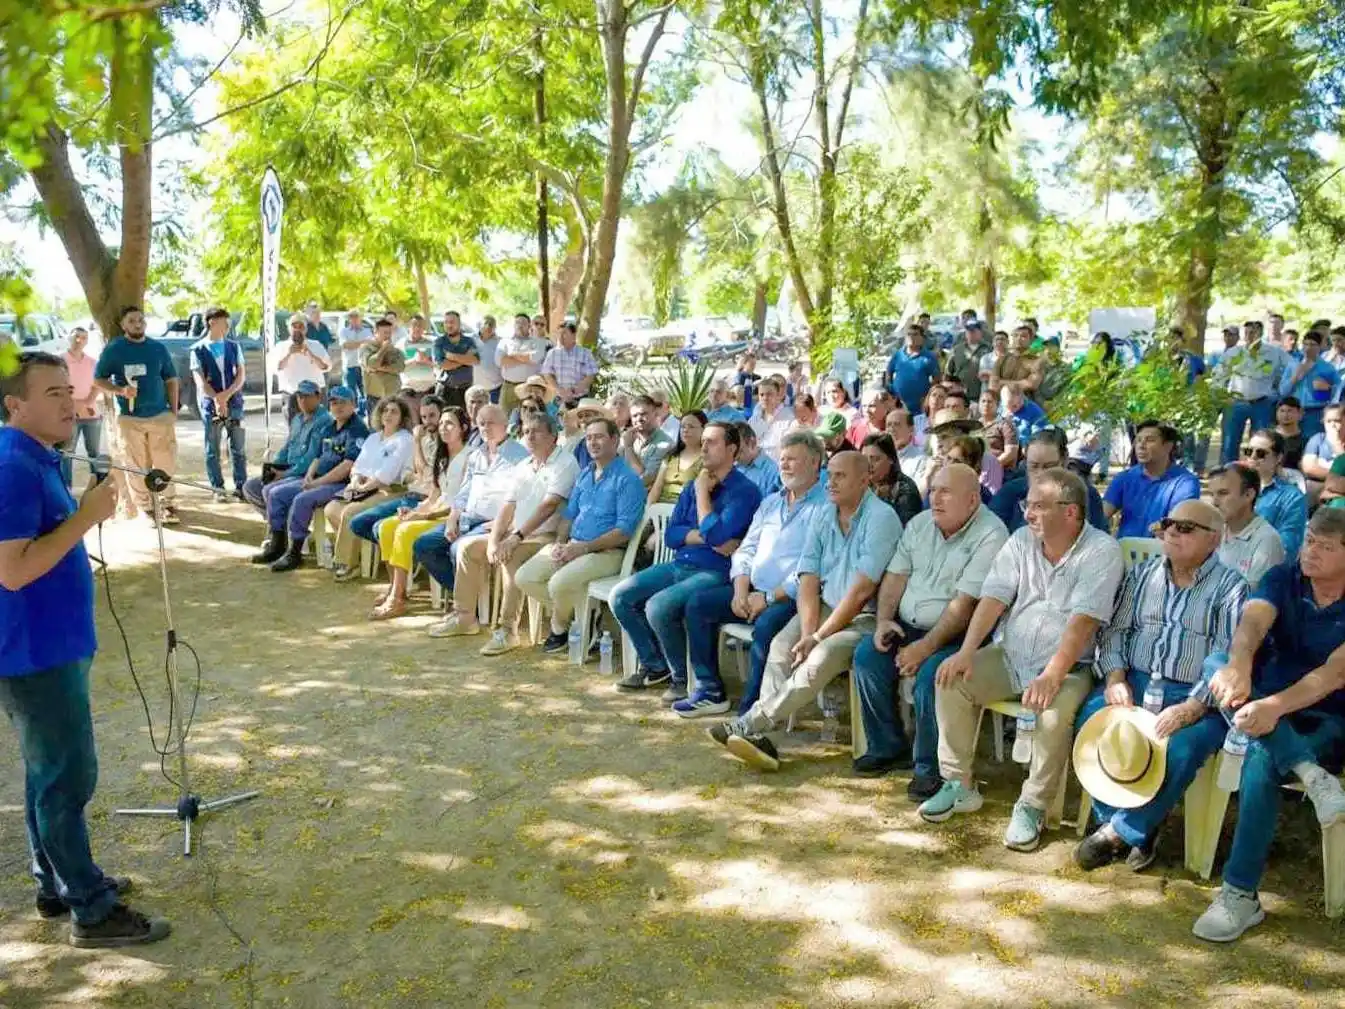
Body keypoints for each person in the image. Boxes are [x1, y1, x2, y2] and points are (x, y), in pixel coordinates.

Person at [1098, 509, 1345, 942]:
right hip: (1256, 701)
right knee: (1217, 666)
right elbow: (1251, 623)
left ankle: (1239, 892)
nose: (1311, 552)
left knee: (1260, 762)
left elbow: (1334, 674)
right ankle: (1311, 775)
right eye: (1309, 540)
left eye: (1326, 546)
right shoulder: (1285, 578)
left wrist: (1273, 707)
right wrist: (1239, 666)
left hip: (1327, 713)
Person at [0, 352, 172, 948]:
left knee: (46, 774)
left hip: (53, 643)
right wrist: (87, 517)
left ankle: (57, 881)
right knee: (68, 778)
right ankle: (91, 910)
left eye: (67, 391)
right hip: (35, 652)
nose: (69, 404)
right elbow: (13, 571)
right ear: (14, 406)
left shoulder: (37, 457)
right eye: (52, 394)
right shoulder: (14, 466)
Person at [921, 467, 1123, 852]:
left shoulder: (1102, 551)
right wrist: (966, 651)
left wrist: (1052, 674)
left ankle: (1033, 805)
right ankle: (958, 784)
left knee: (1052, 714)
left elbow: (1083, 623)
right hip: (1011, 655)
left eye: (1038, 506)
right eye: (1026, 505)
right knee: (950, 678)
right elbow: (994, 598)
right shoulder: (1020, 541)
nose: (1027, 514)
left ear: (1070, 512)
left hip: (1071, 667)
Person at [1071, 500, 1246, 870]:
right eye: (1168, 525)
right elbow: (1116, 631)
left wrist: (1193, 706)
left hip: (1198, 695)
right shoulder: (1142, 575)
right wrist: (1116, 678)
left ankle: (1120, 832)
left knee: (1181, 748)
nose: (1172, 532)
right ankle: (1128, 818)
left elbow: (1228, 658)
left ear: (1213, 539)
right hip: (1135, 680)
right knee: (1090, 718)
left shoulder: (1231, 588)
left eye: (1185, 527)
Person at [706, 451, 902, 770]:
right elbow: (808, 576)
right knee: (782, 646)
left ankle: (752, 723)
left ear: (865, 480)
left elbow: (862, 591)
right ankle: (761, 736)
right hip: (826, 606)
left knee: (818, 659)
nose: (831, 481)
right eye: (831, 473)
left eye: (840, 476)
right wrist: (809, 631)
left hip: (865, 618)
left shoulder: (881, 518)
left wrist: (818, 637)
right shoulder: (827, 514)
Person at [851, 463, 1009, 798]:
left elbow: (964, 605)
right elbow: (895, 577)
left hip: (960, 636)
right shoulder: (921, 523)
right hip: (907, 625)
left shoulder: (992, 534)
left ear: (972, 500)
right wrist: (884, 621)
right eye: (933, 489)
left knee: (932, 678)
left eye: (945, 492)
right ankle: (888, 747)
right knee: (867, 656)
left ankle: (930, 768)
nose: (934, 498)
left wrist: (925, 648)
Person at [677, 431, 829, 718]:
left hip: (791, 598)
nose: (784, 465)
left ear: (814, 463)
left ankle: (751, 711)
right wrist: (740, 589)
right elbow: (746, 549)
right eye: (782, 459)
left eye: (792, 459)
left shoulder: (825, 508)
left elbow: (816, 571)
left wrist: (769, 598)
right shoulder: (771, 502)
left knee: (767, 626)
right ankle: (710, 691)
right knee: (698, 605)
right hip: (751, 591)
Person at [611, 422, 762, 699]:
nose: (703, 447)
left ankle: (681, 677)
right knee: (620, 596)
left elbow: (718, 535)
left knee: (658, 606)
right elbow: (672, 534)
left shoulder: (744, 491)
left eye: (712, 442)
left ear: (732, 449)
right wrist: (705, 536)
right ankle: (656, 665)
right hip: (681, 564)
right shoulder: (693, 483)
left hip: (716, 572)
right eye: (702, 441)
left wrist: (703, 494)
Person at [448, 412, 580, 649]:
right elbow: (507, 507)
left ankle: (508, 630)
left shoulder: (565, 462)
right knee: (468, 547)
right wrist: (494, 541)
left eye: (537, 431)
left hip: (548, 537)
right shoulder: (523, 465)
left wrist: (515, 539)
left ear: (553, 436)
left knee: (511, 556)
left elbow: (548, 507)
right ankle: (464, 616)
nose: (530, 436)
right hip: (517, 535)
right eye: (526, 431)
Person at [516, 417, 647, 652]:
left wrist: (583, 548)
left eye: (599, 437)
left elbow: (623, 533)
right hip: (573, 545)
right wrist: (560, 543)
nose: (592, 442)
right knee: (525, 577)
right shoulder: (585, 474)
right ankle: (584, 617)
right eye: (588, 438)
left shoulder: (628, 480)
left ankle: (559, 627)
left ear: (615, 439)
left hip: (608, 552)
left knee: (558, 584)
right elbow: (569, 515)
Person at [421, 404, 528, 636]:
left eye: (491, 422)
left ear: (505, 425)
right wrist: (452, 518)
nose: (485, 427)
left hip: (494, 524)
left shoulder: (520, 456)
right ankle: (474, 601)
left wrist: (505, 524)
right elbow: (463, 493)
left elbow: (524, 496)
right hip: (467, 519)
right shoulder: (476, 455)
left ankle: (465, 614)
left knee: (458, 548)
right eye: (481, 423)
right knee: (425, 544)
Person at [368, 407, 471, 620]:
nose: (444, 428)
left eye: (450, 423)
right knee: (388, 526)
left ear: (464, 428)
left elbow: (461, 502)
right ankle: (398, 589)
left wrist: (422, 517)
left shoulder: (469, 457)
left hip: (452, 515)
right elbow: (434, 496)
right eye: (442, 423)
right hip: (435, 510)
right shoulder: (442, 457)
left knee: (405, 531)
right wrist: (415, 510)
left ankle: (396, 600)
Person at [255, 386, 370, 572]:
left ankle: (295, 552)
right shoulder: (329, 428)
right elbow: (317, 457)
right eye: (334, 403)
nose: (338, 407)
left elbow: (347, 466)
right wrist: (309, 475)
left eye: (343, 402)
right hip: (319, 478)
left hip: (340, 484)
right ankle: (278, 544)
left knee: (302, 499)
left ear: (354, 404)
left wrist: (316, 482)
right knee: (274, 492)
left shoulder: (357, 430)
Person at [92, 306, 181, 525]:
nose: (137, 323)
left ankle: (167, 503)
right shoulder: (114, 349)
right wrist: (120, 390)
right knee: (135, 464)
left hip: (160, 415)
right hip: (130, 419)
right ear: (123, 325)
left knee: (165, 461)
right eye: (132, 320)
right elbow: (99, 379)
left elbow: (171, 378)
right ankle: (146, 508)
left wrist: (174, 409)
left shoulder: (158, 348)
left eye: (141, 320)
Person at [324, 398, 417, 581]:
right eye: (385, 411)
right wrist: (357, 480)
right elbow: (358, 465)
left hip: (390, 490)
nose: (388, 415)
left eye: (394, 412)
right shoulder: (374, 437)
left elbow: (388, 473)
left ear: (402, 417)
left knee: (351, 512)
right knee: (331, 508)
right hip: (363, 487)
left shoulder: (404, 440)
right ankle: (356, 554)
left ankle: (347, 563)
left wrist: (365, 486)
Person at [990, 429, 1109, 534]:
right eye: (1034, 466)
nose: (1041, 475)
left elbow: (1101, 544)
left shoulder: (1086, 495)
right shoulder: (1010, 493)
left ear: (1064, 460)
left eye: (1049, 467)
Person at [240, 380, 333, 514]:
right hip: (288, 469)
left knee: (271, 490)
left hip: (307, 474)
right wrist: (274, 467)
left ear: (318, 397)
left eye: (307, 396)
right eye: (300, 396)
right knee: (250, 487)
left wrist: (284, 474)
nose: (302, 400)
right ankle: (276, 520)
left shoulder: (324, 421)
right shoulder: (297, 419)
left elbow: (310, 458)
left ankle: (279, 525)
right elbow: (287, 447)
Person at [1102, 420, 1201, 538]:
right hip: (1125, 549)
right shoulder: (1124, 478)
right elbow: (1102, 514)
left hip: (1164, 551)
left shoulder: (1185, 482)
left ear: (1168, 446)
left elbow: (1178, 523)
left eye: (1150, 440)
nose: (1141, 446)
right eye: (1138, 440)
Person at [189, 306, 248, 503]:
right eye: (224, 322)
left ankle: (241, 487)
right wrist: (216, 399)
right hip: (209, 405)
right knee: (212, 448)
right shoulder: (197, 350)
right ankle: (218, 488)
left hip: (235, 403)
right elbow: (200, 380)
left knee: (238, 447)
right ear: (212, 322)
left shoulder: (233, 346)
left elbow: (240, 374)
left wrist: (226, 395)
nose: (228, 326)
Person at [1218, 321, 1291, 463]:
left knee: (1262, 443)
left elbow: (1293, 367)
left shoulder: (1273, 352)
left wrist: (1280, 390)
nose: (1249, 336)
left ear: (1261, 333)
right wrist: (1223, 397)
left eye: (1253, 332)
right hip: (1236, 402)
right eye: (1246, 333)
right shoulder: (1234, 353)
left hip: (1262, 402)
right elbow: (1219, 376)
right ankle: (1227, 472)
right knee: (1230, 441)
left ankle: (1258, 473)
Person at [1207, 463, 1285, 588]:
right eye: (1212, 494)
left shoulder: (1267, 540)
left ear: (1249, 495)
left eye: (1223, 493)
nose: (1214, 502)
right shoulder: (1212, 530)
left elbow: (1252, 598)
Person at [1237, 428, 1308, 558]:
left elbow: (1288, 546)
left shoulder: (1292, 497)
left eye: (1261, 453)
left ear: (1278, 458)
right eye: (1248, 451)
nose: (1252, 457)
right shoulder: (1232, 489)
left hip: (1265, 567)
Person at [60, 327, 102, 488]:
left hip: (91, 414)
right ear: (69, 338)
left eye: (83, 338)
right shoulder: (60, 361)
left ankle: (97, 486)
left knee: (94, 453)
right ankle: (66, 488)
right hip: (68, 414)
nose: (79, 340)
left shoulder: (92, 362)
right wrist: (74, 405)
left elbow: (98, 384)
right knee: (67, 453)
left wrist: (86, 402)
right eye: (76, 336)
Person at [274, 314, 332, 424]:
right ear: (289, 329)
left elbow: (326, 366)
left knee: (318, 427)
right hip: (292, 394)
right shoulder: (281, 346)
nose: (297, 329)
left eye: (300, 326)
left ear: (305, 329)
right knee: (295, 430)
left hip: (314, 394)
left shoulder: (315, 345)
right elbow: (277, 367)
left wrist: (311, 354)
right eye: (294, 326)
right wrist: (289, 354)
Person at [1280, 329, 1336, 439]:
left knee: (1310, 444)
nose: (1308, 348)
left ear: (1319, 347)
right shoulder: (1293, 364)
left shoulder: (1327, 367)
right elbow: (1283, 391)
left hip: (1315, 413)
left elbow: (1338, 393)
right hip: (1293, 412)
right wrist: (1295, 378)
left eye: (1312, 344)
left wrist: (1328, 388)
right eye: (1305, 344)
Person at [860, 432, 921, 526]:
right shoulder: (862, 484)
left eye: (875, 459)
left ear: (891, 459)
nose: (868, 465)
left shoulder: (904, 489)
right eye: (864, 459)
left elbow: (906, 530)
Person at [884, 324, 940, 420]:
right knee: (899, 430)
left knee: (920, 434)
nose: (911, 337)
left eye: (915, 334)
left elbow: (937, 379)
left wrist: (928, 397)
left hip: (920, 408)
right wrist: (890, 390)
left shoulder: (929, 357)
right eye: (909, 334)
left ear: (922, 338)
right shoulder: (898, 355)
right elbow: (889, 372)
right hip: (899, 405)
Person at [648, 410, 705, 505]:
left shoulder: (707, 460)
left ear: (703, 429)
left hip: (686, 513)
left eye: (691, 427)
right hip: (659, 514)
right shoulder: (670, 457)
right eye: (682, 427)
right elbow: (656, 490)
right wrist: (648, 511)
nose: (685, 430)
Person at [540, 321, 598, 408]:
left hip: (580, 398)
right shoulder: (552, 353)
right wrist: (558, 389)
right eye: (559, 334)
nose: (560, 337)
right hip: (559, 397)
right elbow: (546, 373)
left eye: (564, 333)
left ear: (574, 335)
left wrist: (574, 390)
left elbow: (591, 375)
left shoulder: (585, 353)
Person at [621, 395, 676, 487]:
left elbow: (645, 480)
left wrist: (629, 448)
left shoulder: (666, 445)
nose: (639, 419)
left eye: (643, 414)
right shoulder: (627, 439)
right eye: (634, 416)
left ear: (655, 414)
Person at [497, 312, 546, 411]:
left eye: (523, 323)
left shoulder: (538, 341)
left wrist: (511, 356)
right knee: (506, 419)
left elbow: (535, 358)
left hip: (530, 388)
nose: (520, 325)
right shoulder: (504, 341)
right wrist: (525, 358)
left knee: (530, 418)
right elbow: (500, 361)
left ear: (529, 325)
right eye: (517, 322)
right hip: (508, 387)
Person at [432, 310, 478, 408]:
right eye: (446, 322)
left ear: (459, 324)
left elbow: (474, 360)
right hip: (445, 390)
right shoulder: (439, 342)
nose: (449, 325)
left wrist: (452, 357)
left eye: (452, 322)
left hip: (465, 390)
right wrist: (465, 359)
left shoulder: (469, 341)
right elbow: (444, 365)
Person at [361, 318, 404, 422]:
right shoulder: (366, 348)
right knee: (375, 427)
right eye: (385, 333)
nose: (388, 336)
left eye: (389, 333)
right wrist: (383, 350)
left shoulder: (395, 350)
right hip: (375, 396)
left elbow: (400, 367)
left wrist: (379, 368)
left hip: (393, 395)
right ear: (375, 332)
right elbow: (371, 364)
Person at [1302, 402, 1345, 499]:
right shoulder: (1317, 439)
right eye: (1328, 421)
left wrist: (1337, 444)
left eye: (1337, 421)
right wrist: (1335, 478)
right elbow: (1309, 468)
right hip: (1318, 485)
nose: (1332, 425)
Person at [989, 325, 1043, 400]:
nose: (1018, 339)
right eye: (1015, 336)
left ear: (1031, 340)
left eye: (1023, 336)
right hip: (1002, 404)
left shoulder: (1036, 361)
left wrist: (1001, 382)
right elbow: (993, 385)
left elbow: (1032, 384)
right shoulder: (1002, 358)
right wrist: (1021, 383)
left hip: (1025, 405)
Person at [748, 376, 795, 462]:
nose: (765, 398)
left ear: (778, 395)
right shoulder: (754, 419)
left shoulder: (790, 418)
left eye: (769, 394)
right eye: (761, 395)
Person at [734, 421, 781, 497]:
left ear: (752, 443)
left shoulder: (773, 472)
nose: (735, 458)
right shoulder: (731, 467)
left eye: (739, 452)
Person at [945, 318, 988, 400]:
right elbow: (948, 373)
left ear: (980, 332)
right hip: (959, 395)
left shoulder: (989, 349)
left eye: (973, 331)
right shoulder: (957, 350)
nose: (970, 333)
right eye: (968, 331)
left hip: (981, 395)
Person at [399, 314, 439, 400]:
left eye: (420, 326)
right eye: (414, 325)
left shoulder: (432, 343)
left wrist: (426, 361)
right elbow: (397, 366)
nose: (417, 328)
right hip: (408, 389)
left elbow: (439, 365)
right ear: (409, 326)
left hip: (429, 388)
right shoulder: (401, 344)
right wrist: (414, 360)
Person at [885, 406, 928, 484]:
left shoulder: (922, 459)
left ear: (911, 430)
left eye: (897, 424)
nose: (891, 429)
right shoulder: (879, 457)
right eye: (888, 425)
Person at [338, 309, 372, 404]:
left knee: (365, 393)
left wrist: (353, 343)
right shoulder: (344, 331)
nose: (354, 319)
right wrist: (363, 342)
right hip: (350, 366)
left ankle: (364, 414)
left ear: (360, 318)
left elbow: (370, 346)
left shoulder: (367, 331)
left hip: (364, 366)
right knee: (349, 395)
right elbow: (345, 345)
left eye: (356, 316)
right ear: (349, 319)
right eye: (352, 317)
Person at [472, 315, 504, 403]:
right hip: (476, 388)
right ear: (479, 325)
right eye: (486, 323)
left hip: (496, 388)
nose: (489, 326)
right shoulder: (472, 340)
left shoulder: (500, 342)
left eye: (492, 325)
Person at [1273, 396, 1306, 471]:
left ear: (1300, 414)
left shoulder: (1305, 440)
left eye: (1290, 411)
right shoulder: (1268, 435)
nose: (1285, 415)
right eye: (1282, 411)